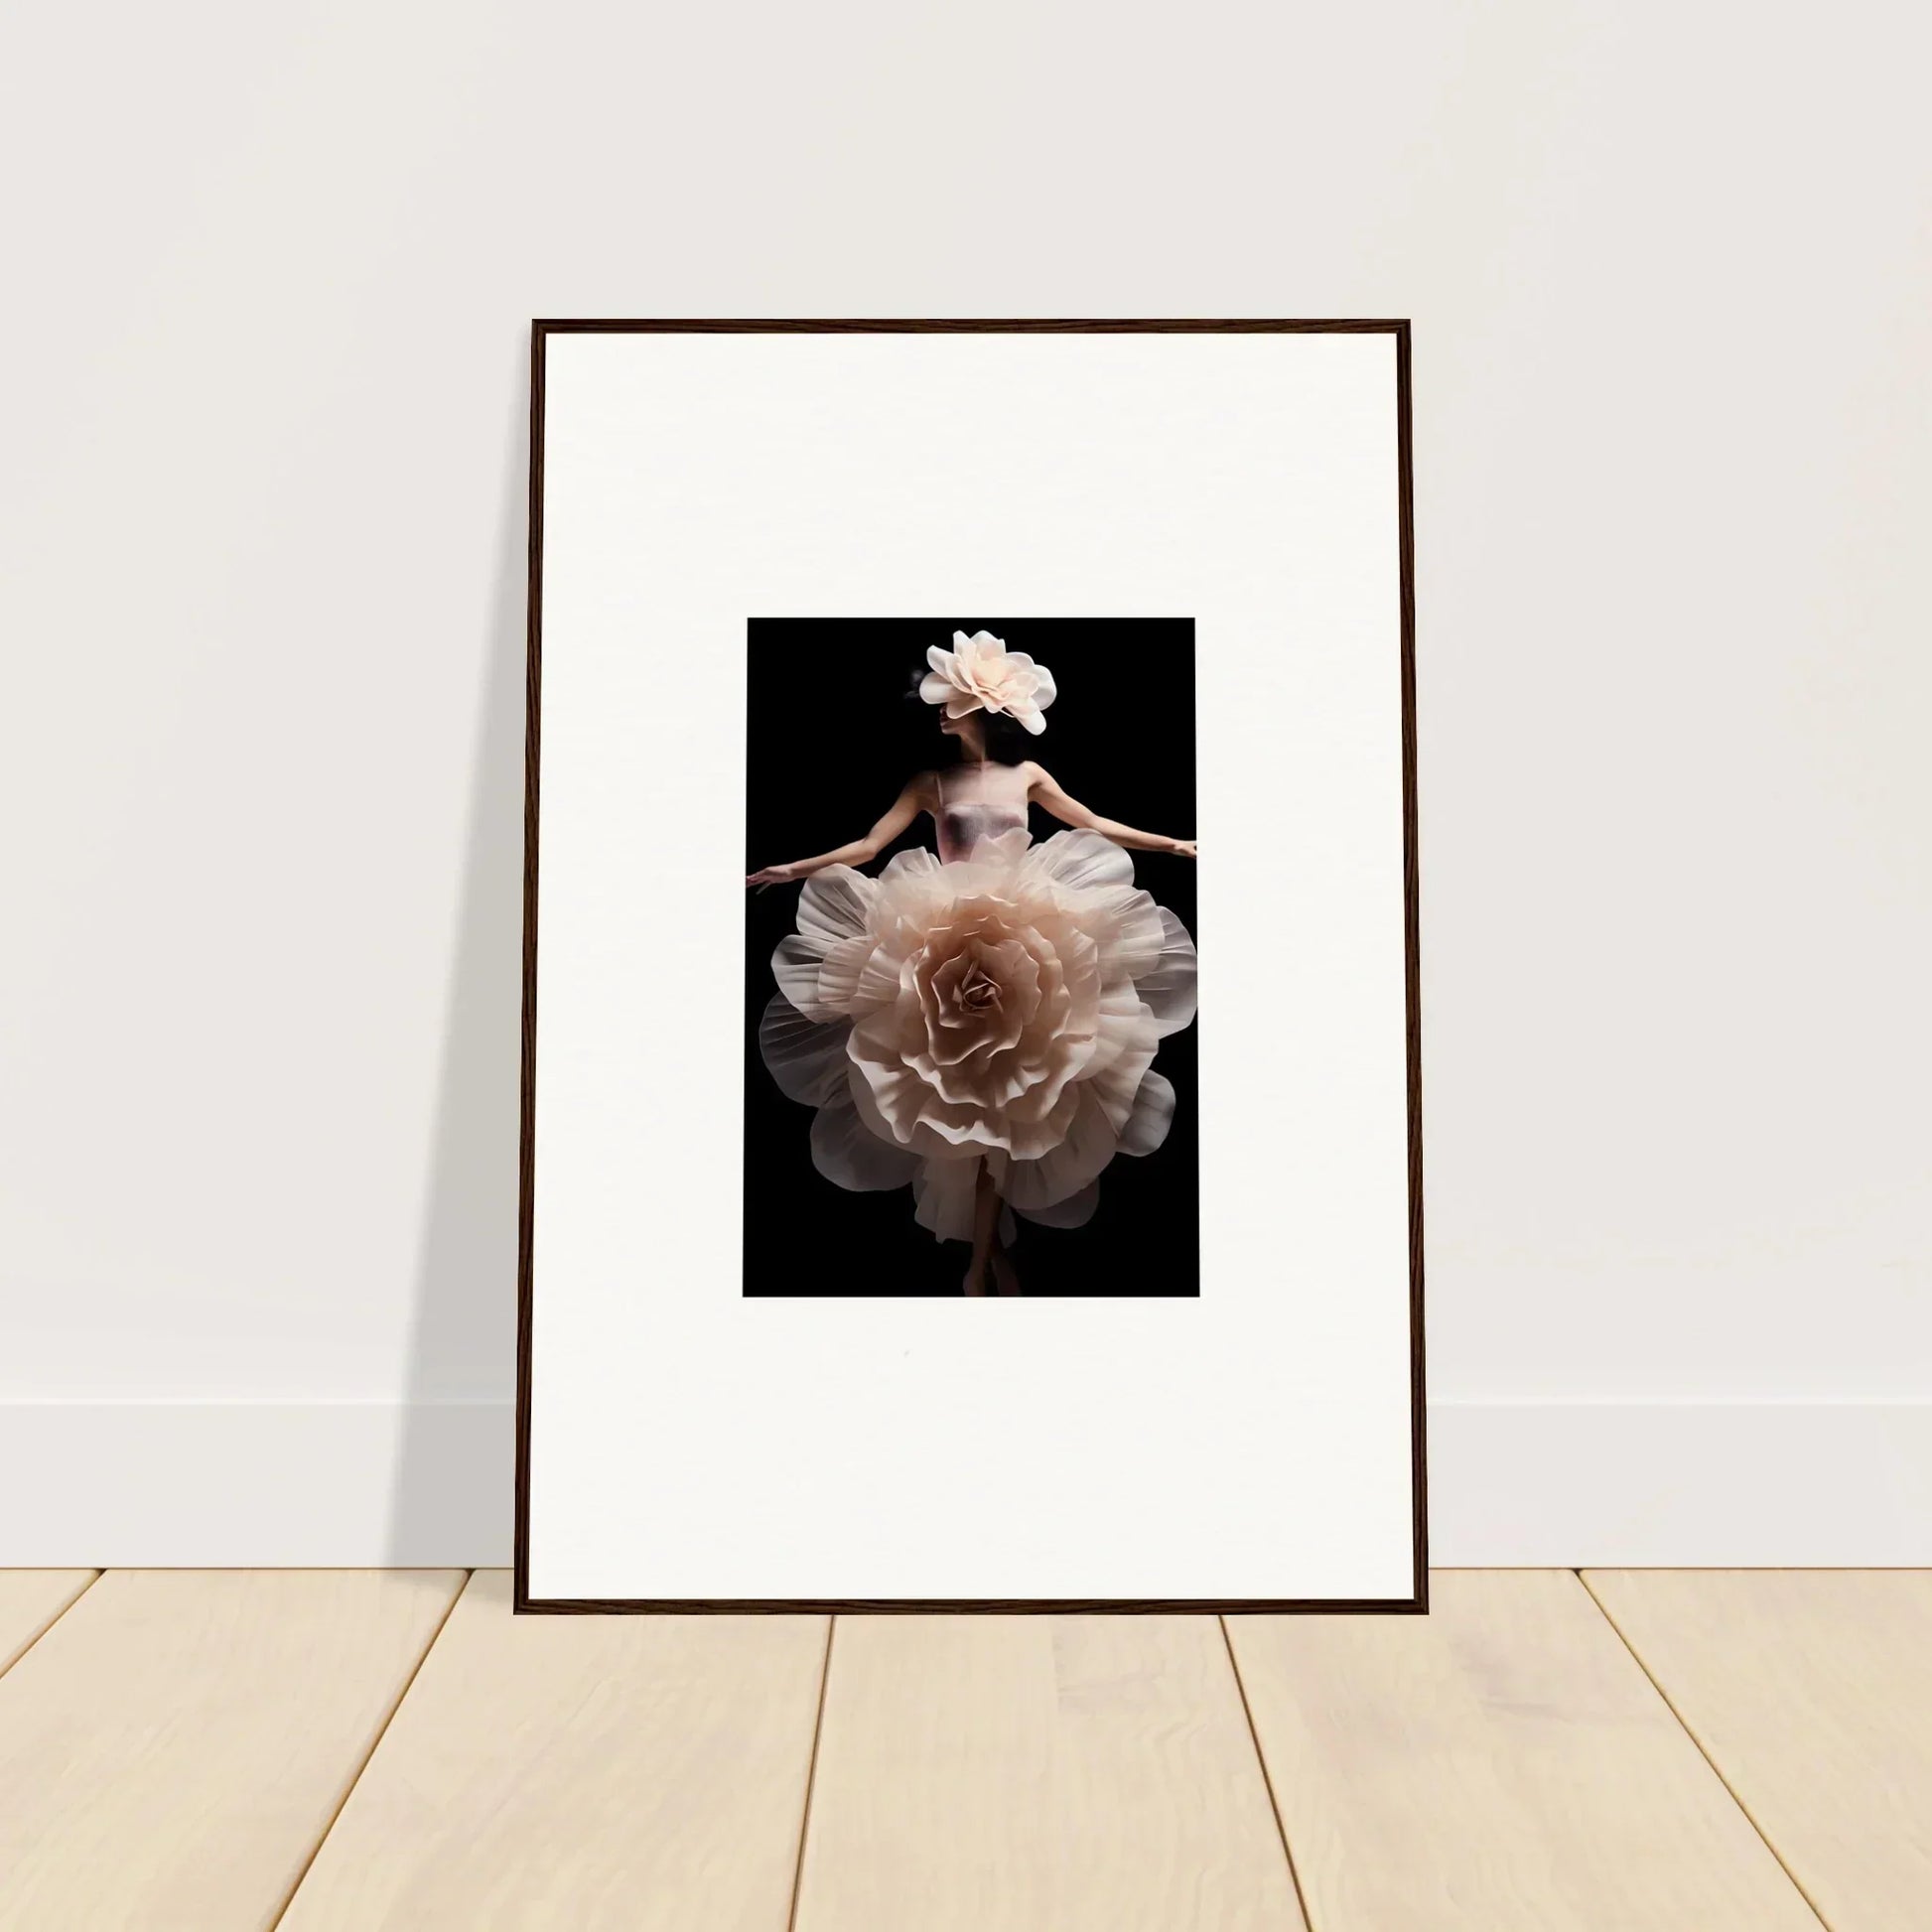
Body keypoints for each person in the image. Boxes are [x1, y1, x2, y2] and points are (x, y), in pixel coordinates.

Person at [748, 631, 1196, 1296]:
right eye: (941, 702)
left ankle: (981, 1262)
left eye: (950, 702)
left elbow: (1094, 821)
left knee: (1018, 1105)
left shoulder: (1028, 775)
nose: (940, 712)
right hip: (937, 929)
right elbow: (871, 844)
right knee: (968, 1109)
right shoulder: (930, 781)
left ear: (982, 710)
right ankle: (982, 1262)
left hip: (1031, 927)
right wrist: (793, 868)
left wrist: (1172, 843)